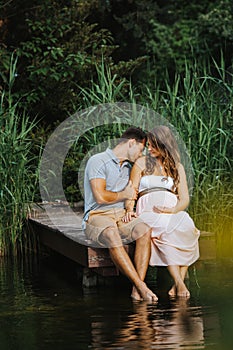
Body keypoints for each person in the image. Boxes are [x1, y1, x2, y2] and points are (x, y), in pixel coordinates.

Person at [123, 125, 200, 298]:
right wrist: (129, 208)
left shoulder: (176, 166)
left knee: (188, 227)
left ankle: (176, 286)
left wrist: (172, 210)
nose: (148, 149)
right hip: (149, 210)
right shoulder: (142, 163)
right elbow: (131, 191)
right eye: (148, 145)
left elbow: (184, 199)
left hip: (171, 211)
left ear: (164, 145)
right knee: (166, 232)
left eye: (153, 145)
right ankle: (179, 284)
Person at [83, 127, 158, 302]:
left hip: (121, 216)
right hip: (97, 215)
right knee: (111, 233)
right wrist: (124, 195)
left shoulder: (128, 167)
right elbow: (100, 196)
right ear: (132, 143)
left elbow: (133, 193)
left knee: (144, 229)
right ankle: (142, 286)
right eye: (141, 148)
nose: (142, 153)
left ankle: (135, 290)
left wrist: (129, 210)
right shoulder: (98, 161)